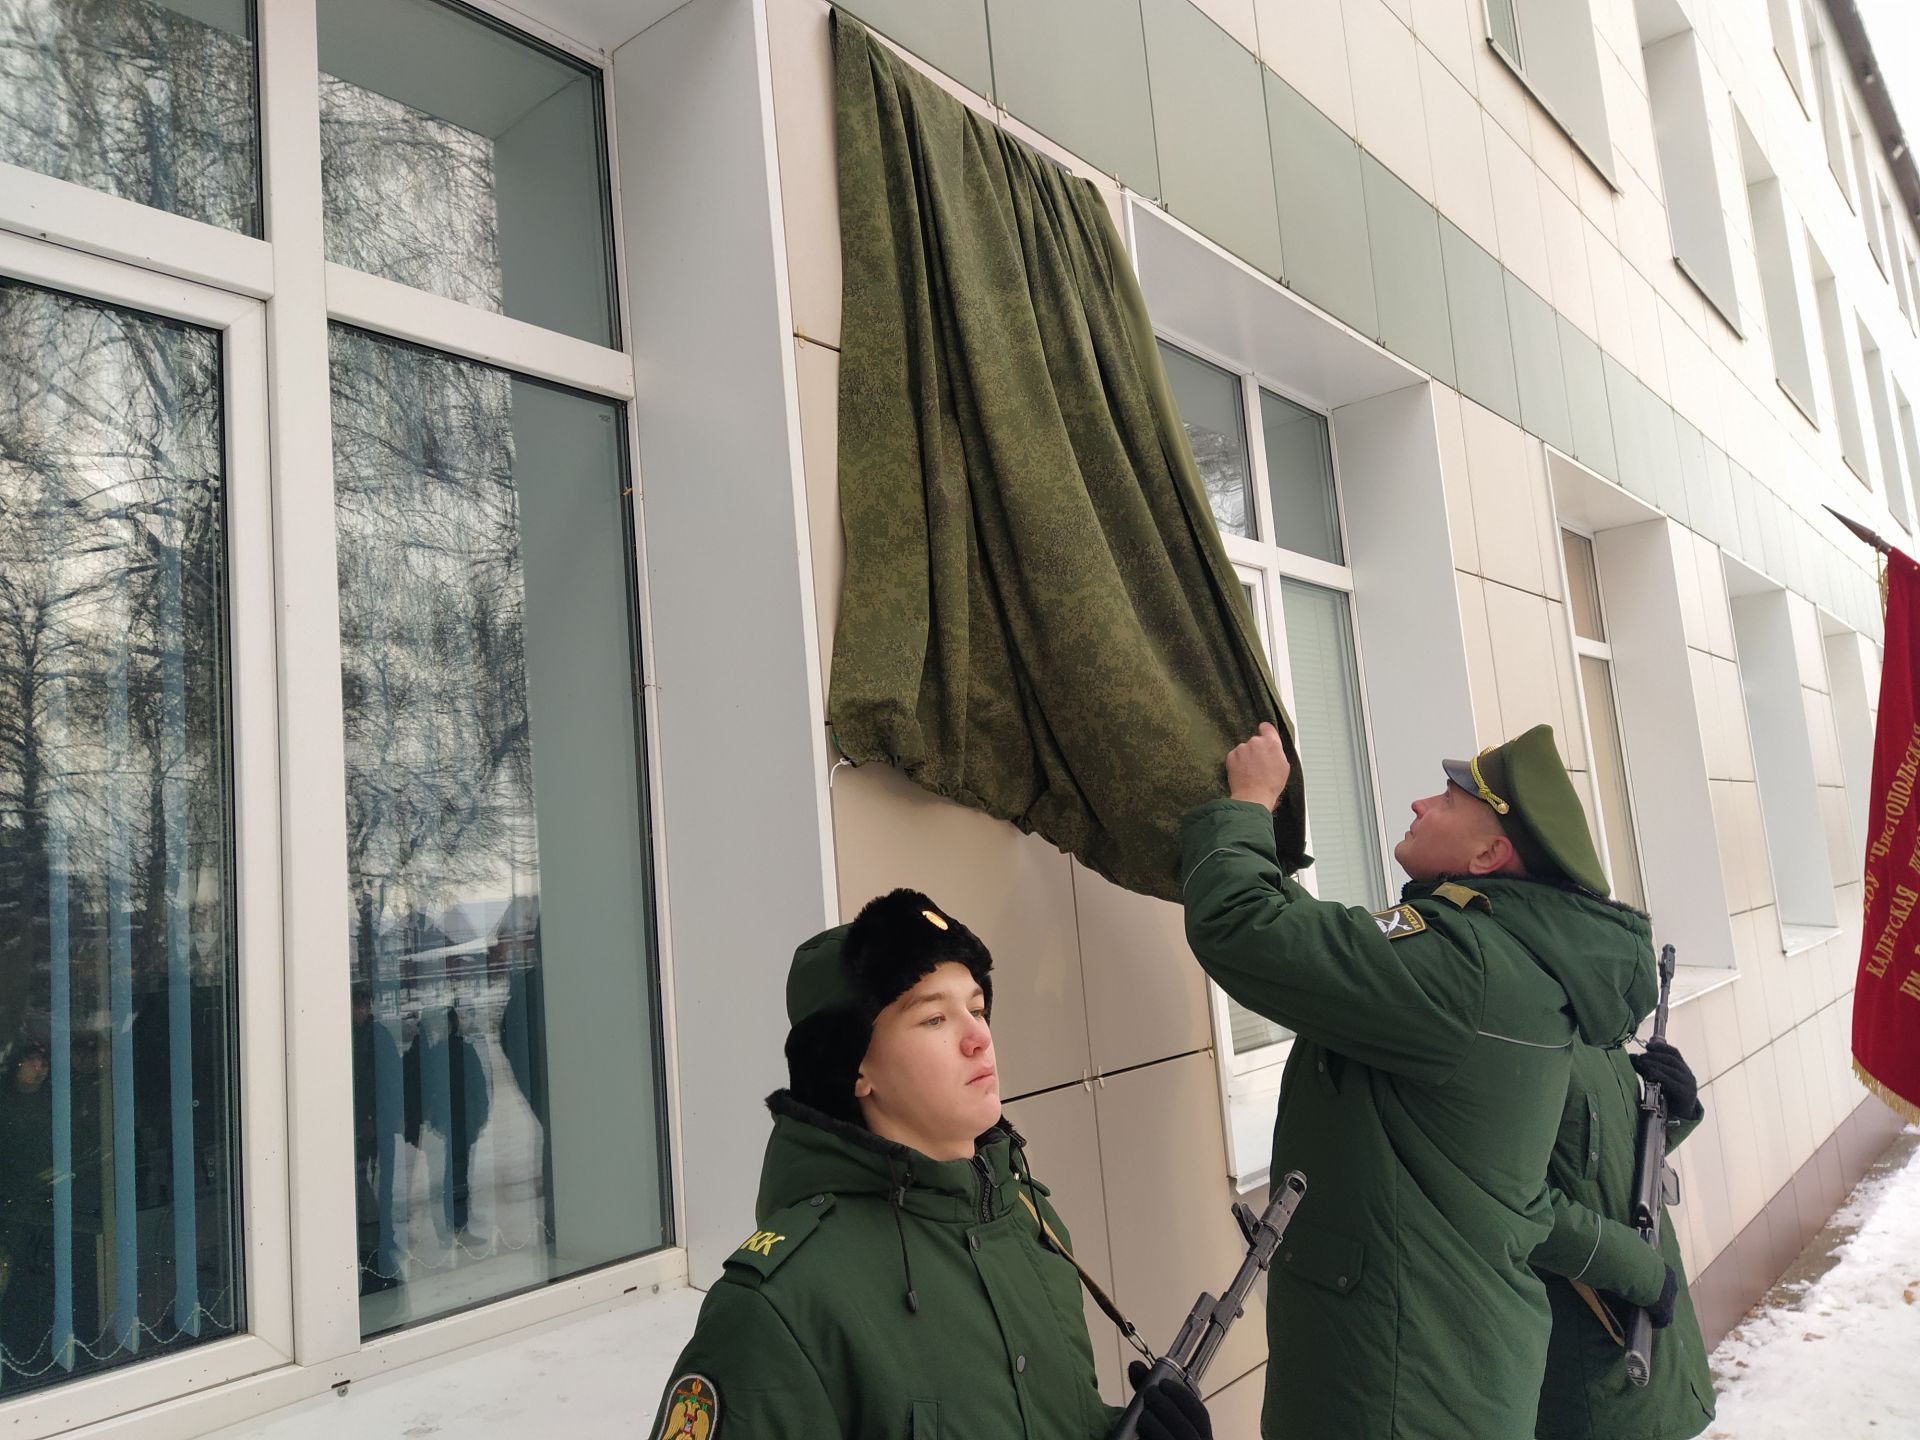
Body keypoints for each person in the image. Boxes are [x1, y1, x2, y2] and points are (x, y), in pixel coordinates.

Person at [1181, 722, 1658, 1440]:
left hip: (1401, 1392)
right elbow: (1513, 1199)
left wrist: (1249, 803)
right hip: (1438, 1368)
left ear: (1490, 853)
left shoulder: (1466, 964)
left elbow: (1248, 929)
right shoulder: (1502, 954)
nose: (1418, 803)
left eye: (1447, 798)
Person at [648, 889, 1209, 1440]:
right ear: (854, 1068)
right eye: (934, 1019)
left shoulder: (1029, 1224)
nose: (978, 1038)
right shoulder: (778, 1307)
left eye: (977, 1008)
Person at [1532, 1032, 1715, 1439]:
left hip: (1666, 1368)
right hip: (1594, 1386)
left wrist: (1674, 1112)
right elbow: (1507, 1200)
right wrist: (1634, 1271)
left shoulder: (1601, 1024)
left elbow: (1606, 1169)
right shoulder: (1523, 1024)